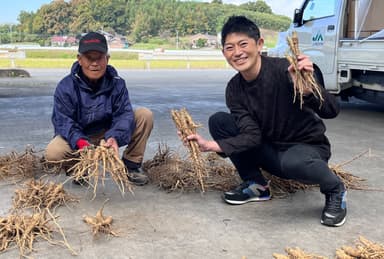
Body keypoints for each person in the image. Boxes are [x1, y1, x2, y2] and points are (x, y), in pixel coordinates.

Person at [185, 16, 346, 227]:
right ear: (224, 53)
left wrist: (308, 90)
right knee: (219, 121)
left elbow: (332, 111)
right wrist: (211, 146)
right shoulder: (234, 89)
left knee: (293, 161)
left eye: (243, 44)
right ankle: (257, 185)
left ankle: (335, 189)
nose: (237, 53)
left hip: (306, 150)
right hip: (271, 150)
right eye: (229, 47)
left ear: (259, 44)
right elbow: (251, 136)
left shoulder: (287, 70)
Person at [45, 31, 153, 186]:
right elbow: (63, 122)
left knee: (144, 115)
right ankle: (78, 168)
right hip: (80, 136)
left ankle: (131, 166)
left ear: (107, 59)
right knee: (53, 152)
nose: (94, 63)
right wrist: (81, 142)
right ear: (80, 59)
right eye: (89, 58)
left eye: (99, 58)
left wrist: (114, 137)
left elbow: (123, 115)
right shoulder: (66, 86)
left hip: (106, 134)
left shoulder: (118, 83)